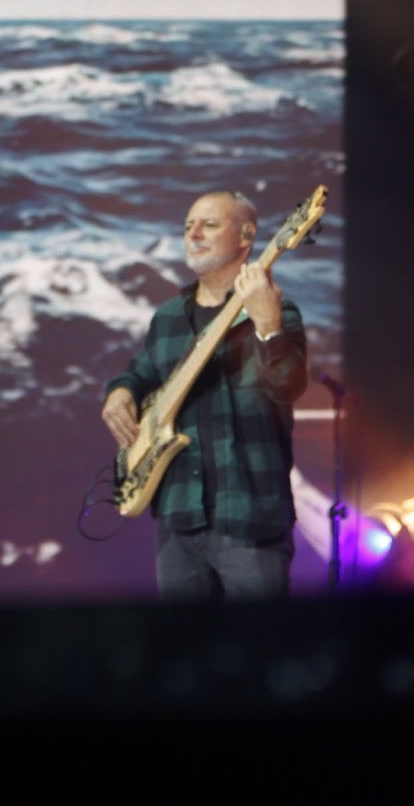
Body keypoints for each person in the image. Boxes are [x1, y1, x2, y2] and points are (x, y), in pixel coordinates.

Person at [99, 190, 307, 601]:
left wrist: (268, 327)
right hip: (178, 521)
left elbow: (288, 385)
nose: (193, 233)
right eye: (188, 226)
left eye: (209, 224)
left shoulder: (278, 309)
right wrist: (120, 392)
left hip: (250, 520)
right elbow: (141, 372)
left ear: (247, 236)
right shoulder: (168, 317)